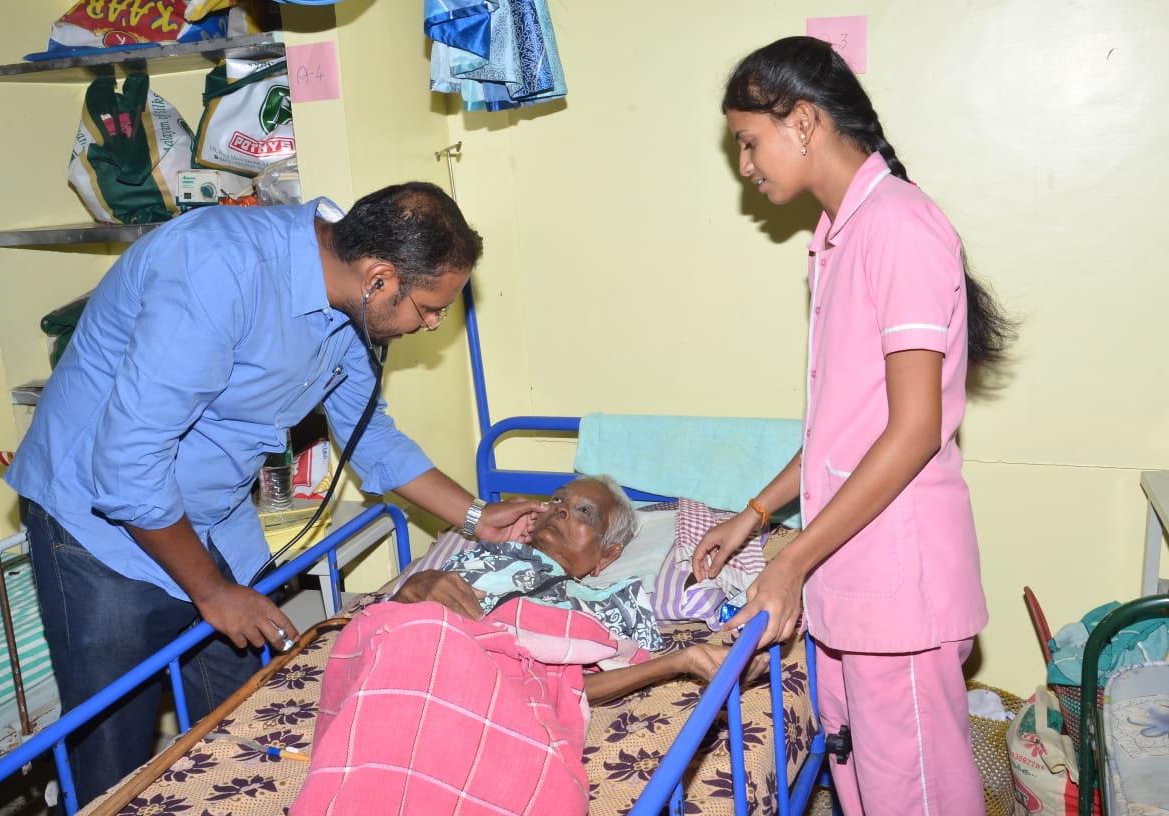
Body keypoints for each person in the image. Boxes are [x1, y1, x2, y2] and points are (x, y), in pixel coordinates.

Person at [5, 182, 544, 806]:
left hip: (210, 516)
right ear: (379, 277)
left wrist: (479, 517)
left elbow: (371, 437)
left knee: (254, 717)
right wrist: (211, 591)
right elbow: (128, 469)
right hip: (100, 528)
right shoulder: (216, 271)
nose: (431, 325)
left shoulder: (348, 307)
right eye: (428, 307)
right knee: (111, 754)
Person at [691, 37, 1015, 815]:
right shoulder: (839, 236)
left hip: (897, 591)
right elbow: (848, 427)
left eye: (749, 141)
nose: (746, 165)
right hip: (853, 581)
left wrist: (790, 561)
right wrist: (757, 514)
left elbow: (911, 432)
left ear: (802, 122)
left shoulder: (898, 228)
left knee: (917, 797)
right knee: (862, 782)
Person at [291, 475, 766, 816]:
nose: (560, 509)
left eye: (583, 512)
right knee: (420, 635)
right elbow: (389, 626)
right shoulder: (474, 559)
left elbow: (575, 683)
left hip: (502, 687)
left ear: (607, 554)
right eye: (557, 501)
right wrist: (415, 586)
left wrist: (679, 661)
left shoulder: (609, 603)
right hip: (420, 650)